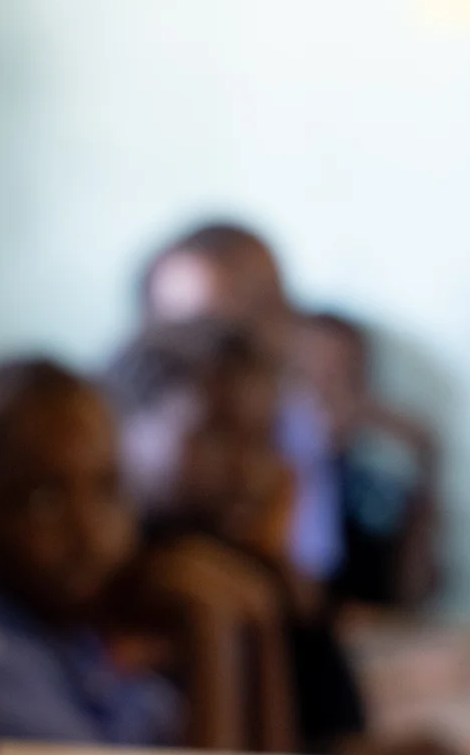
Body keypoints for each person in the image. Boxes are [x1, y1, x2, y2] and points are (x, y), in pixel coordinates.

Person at [0, 358, 296, 751]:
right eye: (43, 499)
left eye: (108, 489)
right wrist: (210, 631)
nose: (89, 531)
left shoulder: (76, 648)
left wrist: (259, 628)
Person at [106, 320, 369, 752]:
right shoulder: (105, 594)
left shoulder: (265, 574)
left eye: (263, 439)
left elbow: (321, 744)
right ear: (124, 430)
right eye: (216, 432)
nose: (246, 469)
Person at [137, 220, 343, 588]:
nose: (255, 337)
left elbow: (306, 581)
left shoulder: (297, 422)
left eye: (267, 307)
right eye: (209, 324)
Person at [292, 311, 442, 610]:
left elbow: (411, 595)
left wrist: (427, 468)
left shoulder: (377, 483)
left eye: (343, 378)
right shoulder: (262, 477)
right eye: (309, 376)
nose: (326, 394)